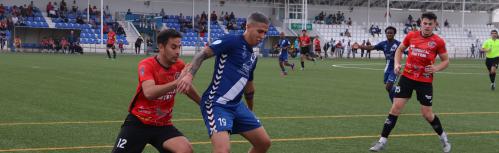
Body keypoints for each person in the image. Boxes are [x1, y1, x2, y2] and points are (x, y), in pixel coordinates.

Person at [176, 12, 272, 153]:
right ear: (248, 26)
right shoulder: (232, 41)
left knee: (263, 143)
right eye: (260, 31)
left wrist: (250, 111)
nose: (262, 36)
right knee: (223, 150)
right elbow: (202, 54)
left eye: (265, 33)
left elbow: (249, 86)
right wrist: (190, 75)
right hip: (216, 104)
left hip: (237, 106)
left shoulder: (253, 56)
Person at [369, 12, 451, 153]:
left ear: (435, 25)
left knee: (427, 114)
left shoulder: (438, 42)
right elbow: (400, 50)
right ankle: (382, 141)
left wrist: (436, 68)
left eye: (430, 24)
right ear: (421, 23)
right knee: (395, 108)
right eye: (425, 23)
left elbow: (446, 61)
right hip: (407, 77)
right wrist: (396, 64)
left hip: (424, 81)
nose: (427, 26)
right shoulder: (412, 35)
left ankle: (443, 137)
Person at [111, 29, 201, 153]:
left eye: (179, 47)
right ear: (161, 47)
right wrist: (176, 82)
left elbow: (186, 87)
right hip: (138, 121)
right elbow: (149, 93)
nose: (177, 52)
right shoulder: (147, 64)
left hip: (162, 124)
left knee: (185, 150)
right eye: (173, 47)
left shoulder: (179, 66)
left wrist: (203, 104)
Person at [361, 26, 401, 103]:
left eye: (391, 33)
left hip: (395, 68)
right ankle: (395, 102)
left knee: (389, 86)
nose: (389, 34)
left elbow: (408, 52)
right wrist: (360, 47)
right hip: (387, 68)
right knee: (388, 88)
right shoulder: (383, 44)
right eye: (388, 33)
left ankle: (399, 91)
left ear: (394, 34)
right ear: (385, 34)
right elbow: (372, 47)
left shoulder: (398, 44)